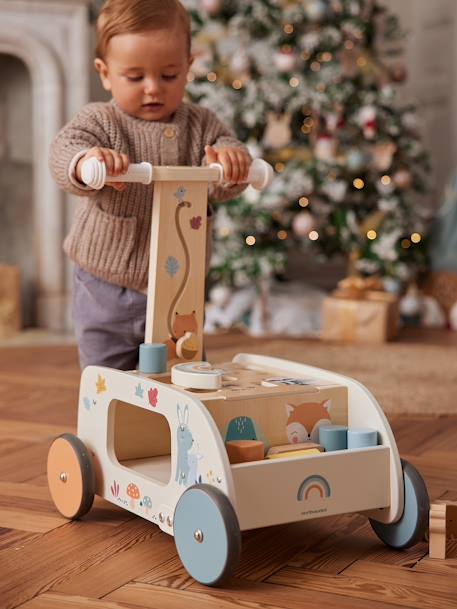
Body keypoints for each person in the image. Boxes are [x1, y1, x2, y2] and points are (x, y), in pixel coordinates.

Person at [49, 0, 252, 370]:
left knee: (183, 372)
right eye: (135, 76)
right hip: (105, 287)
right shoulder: (100, 121)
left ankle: (180, 425)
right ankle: (107, 421)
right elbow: (64, 152)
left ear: (188, 68)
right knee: (105, 375)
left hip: (180, 290)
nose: (153, 89)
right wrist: (87, 162)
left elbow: (224, 171)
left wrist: (230, 161)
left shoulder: (201, 125)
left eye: (169, 75)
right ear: (105, 73)